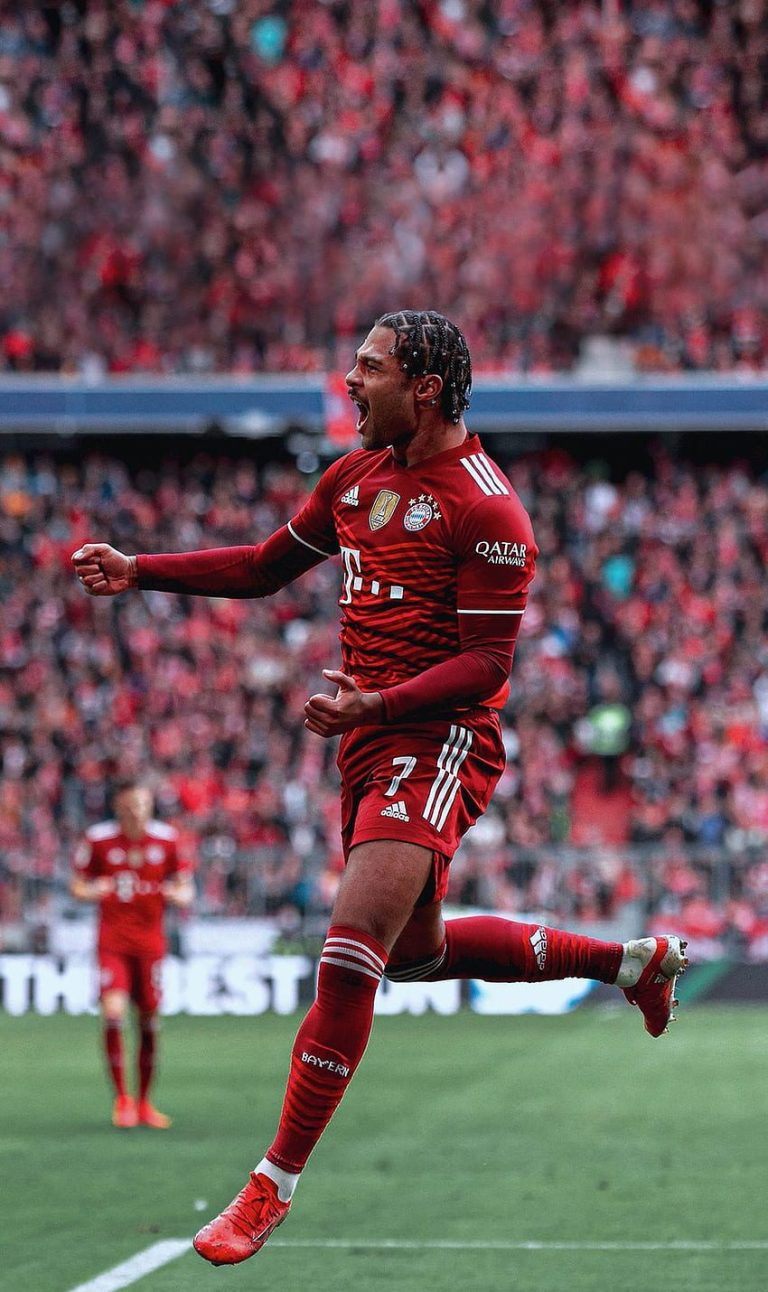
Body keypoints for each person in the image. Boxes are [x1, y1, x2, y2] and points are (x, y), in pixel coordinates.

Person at [72, 309, 686, 1262]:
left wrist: (381, 703)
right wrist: (139, 570)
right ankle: (629, 964)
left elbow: (487, 665)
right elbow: (265, 569)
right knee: (414, 956)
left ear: (424, 388)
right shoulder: (354, 477)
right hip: (366, 740)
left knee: (350, 950)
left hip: (437, 742)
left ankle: (272, 1184)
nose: (351, 381)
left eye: (370, 367)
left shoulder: (489, 509)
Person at [70, 778, 195, 1129]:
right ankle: (123, 1100)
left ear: (150, 806)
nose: (136, 813)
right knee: (113, 1014)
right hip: (112, 943)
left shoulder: (168, 840)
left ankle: (144, 1103)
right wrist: (94, 890)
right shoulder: (98, 839)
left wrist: (180, 895)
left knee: (149, 1022)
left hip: (151, 945)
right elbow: (77, 886)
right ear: (118, 807)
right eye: (129, 807)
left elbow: (186, 888)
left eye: (141, 806)